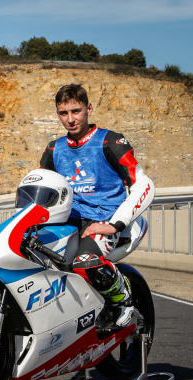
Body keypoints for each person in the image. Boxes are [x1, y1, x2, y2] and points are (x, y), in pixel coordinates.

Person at [39, 83, 155, 328]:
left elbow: (144, 184)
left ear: (88, 108)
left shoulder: (110, 141)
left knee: (85, 261)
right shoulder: (53, 149)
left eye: (76, 111)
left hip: (104, 220)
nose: (70, 119)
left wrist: (114, 225)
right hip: (67, 223)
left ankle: (123, 298)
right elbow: (41, 190)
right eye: (63, 113)